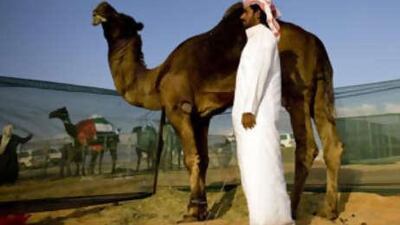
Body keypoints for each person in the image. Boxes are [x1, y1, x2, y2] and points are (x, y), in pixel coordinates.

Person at [232, 1, 294, 224]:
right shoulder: (255, 40)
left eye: (245, 12)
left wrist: (249, 108)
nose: (242, 17)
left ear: (258, 13)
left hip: (256, 119)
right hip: (251, 122)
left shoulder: (263, 39)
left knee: (264, 173)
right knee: (254, 175)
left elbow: (258, 74)